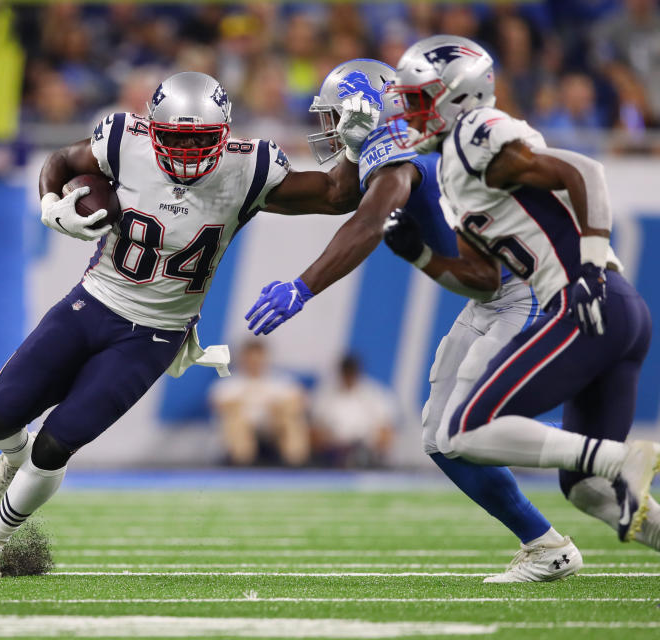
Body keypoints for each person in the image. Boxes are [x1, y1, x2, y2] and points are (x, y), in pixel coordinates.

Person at [0, 71, 362, 579]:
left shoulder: (247, 168)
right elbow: (61, 161)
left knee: (58, 442)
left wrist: (352, 149)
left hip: (155, 333)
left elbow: (334, 195)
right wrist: (48, 203)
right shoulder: (125, 142)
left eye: (202, 140)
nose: (190, 153)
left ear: (225, 135)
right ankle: (10, 459)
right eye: (177, 139)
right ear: (152, 131)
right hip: (93, 301)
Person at [245, 58, 582, 582]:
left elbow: (371, 219)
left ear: (364, 111)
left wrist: (303, 286)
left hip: (529, 290)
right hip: (498, 295)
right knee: (440, 438)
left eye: (336, 115)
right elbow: (335, 193)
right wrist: (244, 190)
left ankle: (606, 447)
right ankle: (545, 546)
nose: (329, 128)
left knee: (468, 429)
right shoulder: (401, 137)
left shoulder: (395, 147)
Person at [382, 35, 660, 548]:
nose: (410, 114)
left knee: (465, 430)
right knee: (587, 490)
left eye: (419, 101)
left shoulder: (474, 133)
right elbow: (485, 278)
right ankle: (618, 469)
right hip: (615, 312)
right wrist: (421, 255)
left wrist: (591, 270)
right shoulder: (454, 165)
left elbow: (586, 172)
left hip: (589, 303)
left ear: (457, 96)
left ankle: (621, 457)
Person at [209, 340, 309, 467]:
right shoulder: (229, 383)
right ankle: (242, 464)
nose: (255, 363)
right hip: (244, 427)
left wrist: (279, 408)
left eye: (258, 358)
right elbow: (219, 405)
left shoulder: (280, 381)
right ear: (243, 359)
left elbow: (298, 401)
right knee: (235, 421)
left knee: (290, 419)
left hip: (273, 428)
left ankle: (296, 465)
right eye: (251, 359)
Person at [311, 355, 395, 468]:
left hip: (365, 445)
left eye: (351, 373)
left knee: (384, 434)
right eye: (346, 373)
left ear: (357, 373)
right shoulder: (325, 393)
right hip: (333, 447)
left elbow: (385, 425)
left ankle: (366, 462)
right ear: (341, 373)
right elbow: (315, 427)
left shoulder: (372, 392)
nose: (349, 377)